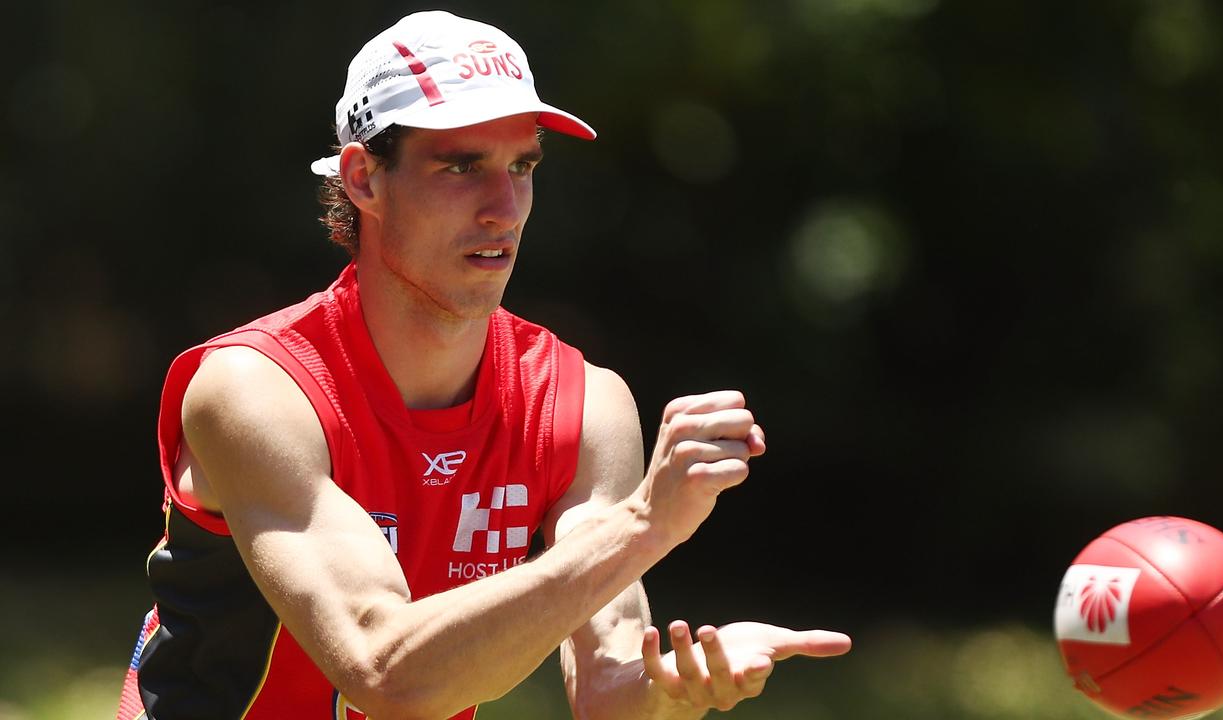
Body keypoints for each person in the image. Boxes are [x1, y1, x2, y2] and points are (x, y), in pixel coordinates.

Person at [116, 10, 851, 720]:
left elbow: (608, 690)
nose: (506, 207)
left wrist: (675, 691)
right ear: (364, 178)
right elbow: (385, 672)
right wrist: (644, 528)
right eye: (463, 166)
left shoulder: (583, 405)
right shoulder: (257, 388)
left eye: (523, 166)